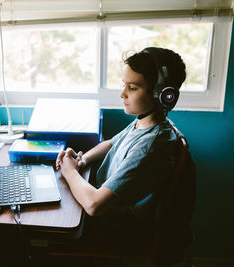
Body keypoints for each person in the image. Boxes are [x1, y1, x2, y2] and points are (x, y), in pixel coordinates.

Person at [56, 47, 186, 246]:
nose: (122, 94)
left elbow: (93, 205)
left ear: (162, 95)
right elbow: (111, 144)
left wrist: (69, 171)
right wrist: (81, 160)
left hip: (114, 227)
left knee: (47, 226)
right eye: (124, 85)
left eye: (132, 88)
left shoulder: (150, 146)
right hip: (105, 213)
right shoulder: (144, 122)